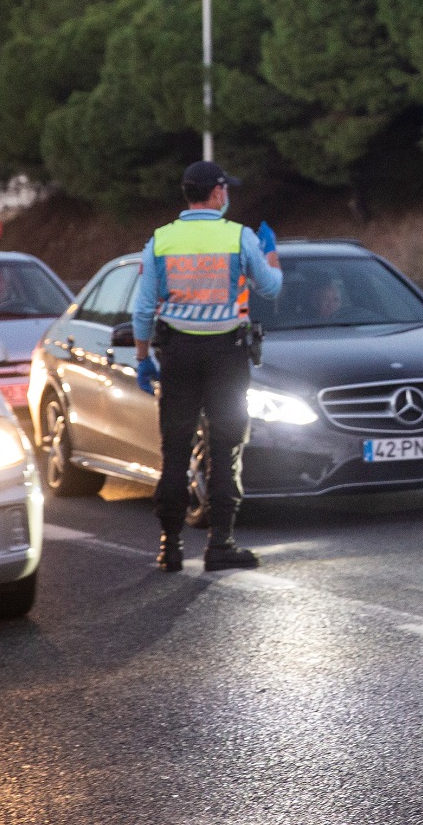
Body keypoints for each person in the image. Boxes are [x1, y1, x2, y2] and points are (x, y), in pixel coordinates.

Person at [130, 161, 283, 573]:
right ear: (216, 193)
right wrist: (270, 252)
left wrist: (142, 357)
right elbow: (270, 287)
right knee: (226, 446)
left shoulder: (161, 240)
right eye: (225, 189)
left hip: (177, 354)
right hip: (226, 356)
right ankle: (220, 544)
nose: (227, 195)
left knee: (175, 450)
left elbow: (143, 308)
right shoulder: (238, 237)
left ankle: (171, 547)